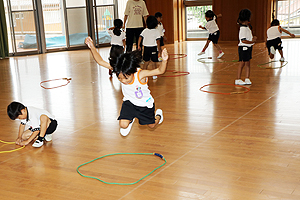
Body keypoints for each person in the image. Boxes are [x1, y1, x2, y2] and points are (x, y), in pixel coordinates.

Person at [85, 36, 168, 136]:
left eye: (126, 78)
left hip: (145, 105)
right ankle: (130, 120)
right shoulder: (120, 69)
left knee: (151, 125)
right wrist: (92, 47)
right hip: (130, 102)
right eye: (120, 78)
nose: (123, 81)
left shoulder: (141, 75)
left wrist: (164, 60)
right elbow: (101, 62)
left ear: (133, 71)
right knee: (123, 125)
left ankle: (158, 115)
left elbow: (160, 71)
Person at [235, 9, 257, 85]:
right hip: (243, 48)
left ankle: (247, 78)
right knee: (242, 63)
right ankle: (238, 79)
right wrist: (253, 41)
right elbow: (243, 40)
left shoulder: (247, 27)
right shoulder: (243, 29)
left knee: (247, 63)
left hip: (248, 47)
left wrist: (252, 39)